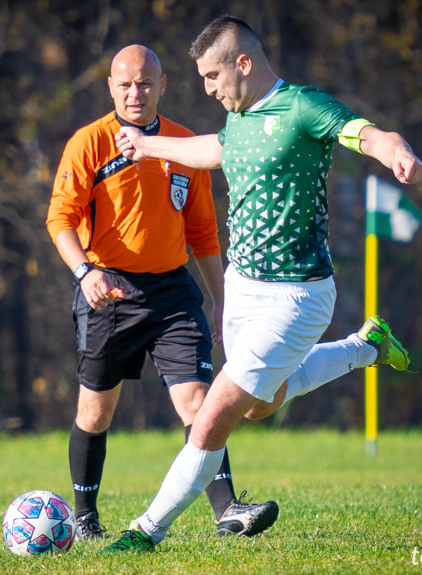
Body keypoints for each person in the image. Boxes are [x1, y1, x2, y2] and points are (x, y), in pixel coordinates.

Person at [102, 16, 422, 553]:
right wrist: (147, 146)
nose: (206, 88)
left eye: (211, 76)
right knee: (261, 405)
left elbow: (365, 132)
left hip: (297, 297)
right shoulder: (240, 118)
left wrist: (397, 153)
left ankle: (144, 531)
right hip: (243, 288)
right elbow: (216, 152)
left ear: (243, 64)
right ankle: (365, 347)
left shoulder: (302, 106)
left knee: (211, 420)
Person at [45, 44, 279, 542]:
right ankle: (84, 519)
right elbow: (59, 220)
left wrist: (221, 302)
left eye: (145, 84)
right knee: (94, 412)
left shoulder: (183, 144)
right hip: (108, 289)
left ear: (163, 85)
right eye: (125, 84)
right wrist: (85, 272)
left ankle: (228, 512)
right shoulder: (88, 143)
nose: (135, 93)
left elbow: (204, 235)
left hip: (174, 293)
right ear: (111, 87)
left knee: (200, 403)